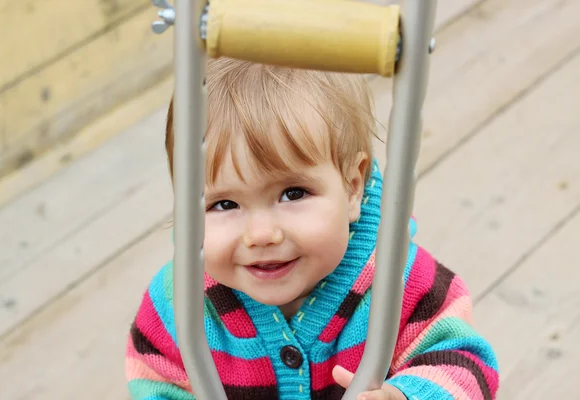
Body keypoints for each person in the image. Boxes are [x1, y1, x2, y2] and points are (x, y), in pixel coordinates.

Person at [125, 57, 499, 400]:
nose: (261, 234)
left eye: (293, 193)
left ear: (353, 186)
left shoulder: (403, 283)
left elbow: (467, 365)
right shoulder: (179, 302)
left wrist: (407, 396)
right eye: (224, 204)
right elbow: (154, 378)